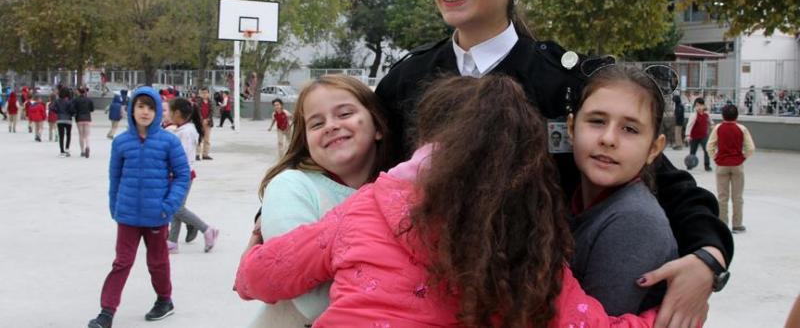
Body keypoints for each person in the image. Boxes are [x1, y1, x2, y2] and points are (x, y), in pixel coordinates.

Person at [373, 0, 733, 327]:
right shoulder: (405, 82)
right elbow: (349, 178)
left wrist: (708, 258)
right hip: (414, 306)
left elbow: (668, 184)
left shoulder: (566, 85)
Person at [237, 75, 658, 327]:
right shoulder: (525, 250)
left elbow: (265, 275)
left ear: (427, 141)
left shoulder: (367, 205)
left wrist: (252, 258)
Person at [240, 75, 391, 327]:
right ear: (306, 140)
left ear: (378, 126)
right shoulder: (292, 186)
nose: (330, 126)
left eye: (344, 114)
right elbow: (311, 301)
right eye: (317, 123)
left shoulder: (399, 190)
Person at [567, 65, 678, 315]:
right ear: (571, 128)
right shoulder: (575, 200)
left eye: (629, 129)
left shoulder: (635, 221)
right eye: (597, 121)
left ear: (654, 149)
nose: (608, 139)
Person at [87, 87, 190, 328]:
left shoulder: (169, 141)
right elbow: (115, 177)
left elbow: (183, 175)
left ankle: (164, 300)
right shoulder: (121, 142)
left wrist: (168, 206)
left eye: (151, 107)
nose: (145, 112)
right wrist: (115, 206)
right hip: (128, 215)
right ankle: (106, 312)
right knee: (121, 263)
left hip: (157, 215)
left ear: (158, 111)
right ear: (132, 109)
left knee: (157, 262)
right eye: (141, 106)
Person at [164, 98, 219, 254]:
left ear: (177, 113)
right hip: (177, 175)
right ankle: (172, 242)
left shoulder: (187, 132)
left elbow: (183, 156)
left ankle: (206, 229)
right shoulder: (182, 129)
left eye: (169, 111)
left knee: (177, 208)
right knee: (176, 208)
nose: (167, 114)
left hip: (182, 175)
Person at [707, 104, 755, 233]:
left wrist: (716, 158)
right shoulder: (742, 129)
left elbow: (710, 146)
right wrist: (743, 157)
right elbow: (750, 148)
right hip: (737, 165)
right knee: (737, 196)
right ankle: (737, 224)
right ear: (737, 116)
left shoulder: (718, 128)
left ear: (723, 116)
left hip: (722, 165)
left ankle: (723, 223)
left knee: (722, 197)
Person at [686, 97, 713, 172]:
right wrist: (688, 135)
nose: (699, 107)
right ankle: (690, 165)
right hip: (694, 137)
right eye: (697, 105)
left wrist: (712, 125)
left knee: (706, 150)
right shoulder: (694, 115)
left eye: (700, 105)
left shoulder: (706, 114)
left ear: (704, 106)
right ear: (695, 106)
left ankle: (707, 165)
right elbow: (689, 125)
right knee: (692, 152)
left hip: (704, 136)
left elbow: (710, 121)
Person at [73, 86, 95, 158]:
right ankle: (87, 146)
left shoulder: (76, 100)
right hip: (87, 118)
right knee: (87, 135)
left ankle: (82, 151)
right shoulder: (89, 100)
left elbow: (73, 109)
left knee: (81, 135)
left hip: (79, 118)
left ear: (79, 92)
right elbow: (92, 109)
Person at [54, 88, 75, 157]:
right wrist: (71, 114)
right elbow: (72, 110)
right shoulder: (69, 101)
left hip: (60, 119)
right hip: (68, 119)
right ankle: (67, 148)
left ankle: (62, 151)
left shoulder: (57, 101)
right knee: (68, 134)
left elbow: (52, 108)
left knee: (61, 136)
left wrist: (57, 112)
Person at [198, 87, 214, 160]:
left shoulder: (210, 102)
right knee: (199, 138)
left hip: (208, 122)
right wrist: (202, 120)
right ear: (200, 94)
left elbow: (211, 112)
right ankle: (197, 154)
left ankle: (205, 154)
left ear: (208, 93)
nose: (204, 94)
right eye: (203, 93)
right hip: (199, 122)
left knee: (207, 139)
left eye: (206, 93)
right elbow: (197, 112)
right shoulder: (198, 102)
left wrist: (207, 119)